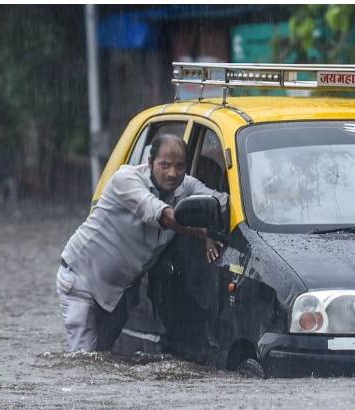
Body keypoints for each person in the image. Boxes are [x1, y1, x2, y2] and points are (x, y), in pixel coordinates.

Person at [56, 134, 228, 352]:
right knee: (83, 359)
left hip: (121, 292)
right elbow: (164, 217)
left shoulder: (187, 186)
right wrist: (204, 232)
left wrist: (213, 224)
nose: (172, 173)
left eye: (179, 166)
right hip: (82, 281)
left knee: (102, 359)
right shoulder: (126, 180)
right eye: (164, 165)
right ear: (150, 162)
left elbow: (223, 204)